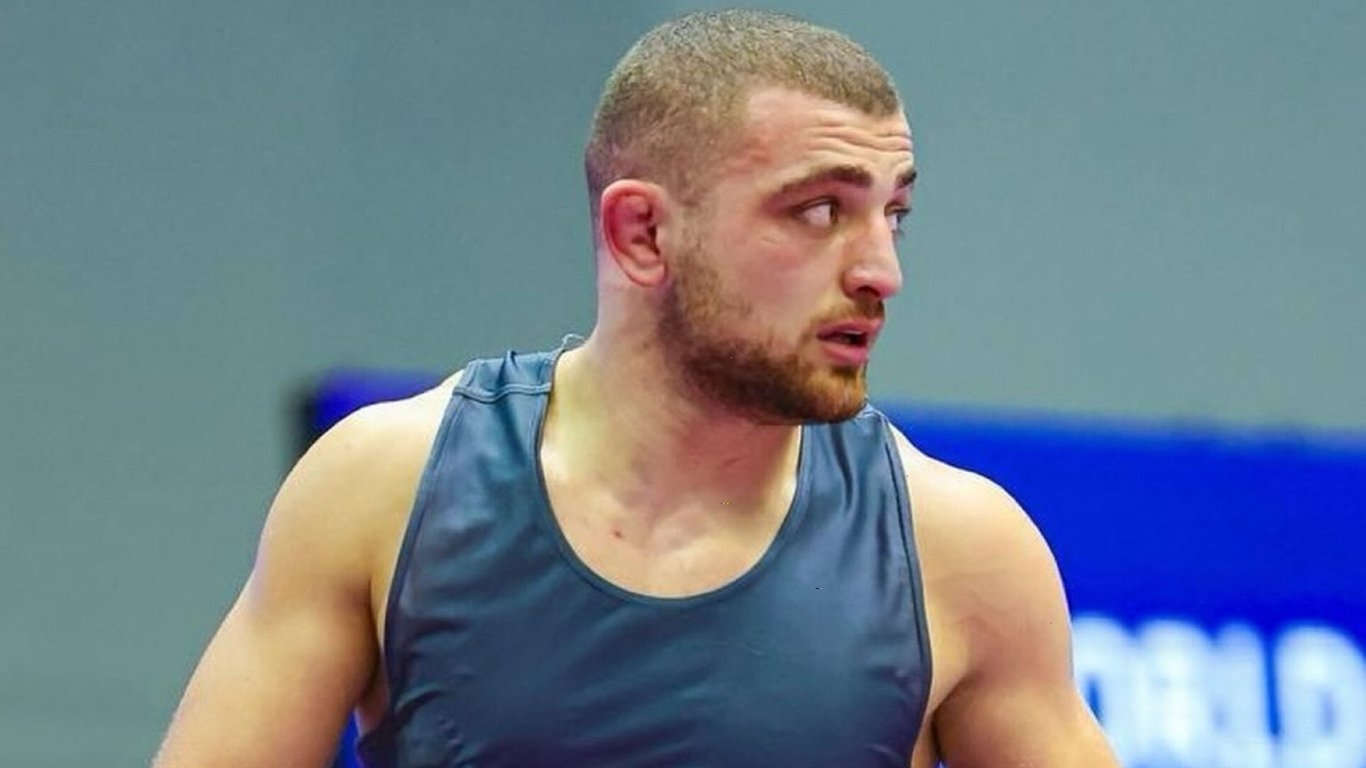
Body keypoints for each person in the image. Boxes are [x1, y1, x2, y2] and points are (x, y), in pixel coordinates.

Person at [156, 9, 1120, 767]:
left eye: (892, 214)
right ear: (643, 234)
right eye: (821, 210)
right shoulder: (385, 490)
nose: (881, 271)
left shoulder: (958, 550)